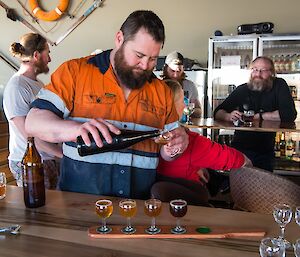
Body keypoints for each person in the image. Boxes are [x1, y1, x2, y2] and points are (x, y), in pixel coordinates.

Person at [25, 10, 188, 199]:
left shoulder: (162, 91)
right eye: (139, 55)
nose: (145, 65)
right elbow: (33, 122)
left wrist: (175, 147)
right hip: (78, 206)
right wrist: (76, 130)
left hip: (136, 209)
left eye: (153, 59)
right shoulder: (75, 72)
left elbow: (166, 152)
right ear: (119, 39)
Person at [151, 79, 252, 206]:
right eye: (183, 100)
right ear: (175, 106)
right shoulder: (190, 142)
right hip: (190, 208)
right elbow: (236, 159)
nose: (185, 105)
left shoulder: (145, 138)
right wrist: (248, 163)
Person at [214, 56, 297, 172]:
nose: (258, 74)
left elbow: (289, 115)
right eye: (255, 69)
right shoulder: (242, 89)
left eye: (263, 70)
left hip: (265, 149)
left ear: (271, 73)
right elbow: (218, 112)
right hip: (240, 148)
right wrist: (228, 116)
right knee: (239, 185)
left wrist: (259, 116)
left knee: (263, 185)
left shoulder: (279, 85)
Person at [3, 33, 62, 188]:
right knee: (39, 211)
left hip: (48, 159)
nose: (49, 59)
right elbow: (30, 137)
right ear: (36, 55)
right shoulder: (17, 87)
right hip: (29, 163)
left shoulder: (39, 84)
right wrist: (64, 155)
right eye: (47, 53)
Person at [161, 51, 201, 118]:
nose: (176, 75)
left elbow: (199, 111)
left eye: (178, 71)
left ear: (183, 69)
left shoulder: (190, 85)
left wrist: (189, 110)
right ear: (165, 69)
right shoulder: (159, 86)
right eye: (172, 71)